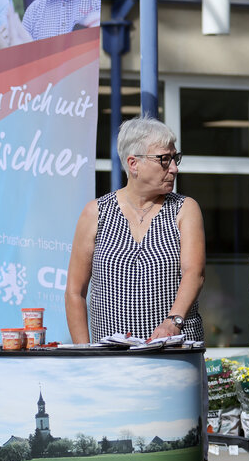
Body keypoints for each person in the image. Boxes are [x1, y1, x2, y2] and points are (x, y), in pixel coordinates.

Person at [65, 115, 205, 344]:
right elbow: (74, 292)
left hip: (172, 354)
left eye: (175, 158)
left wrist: (173, 322)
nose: (174, 168)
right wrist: (86, 353)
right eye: (164, 159)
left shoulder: (184, 209)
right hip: (112, 361)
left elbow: (194, 273)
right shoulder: (96, 212)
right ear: (133, 164)